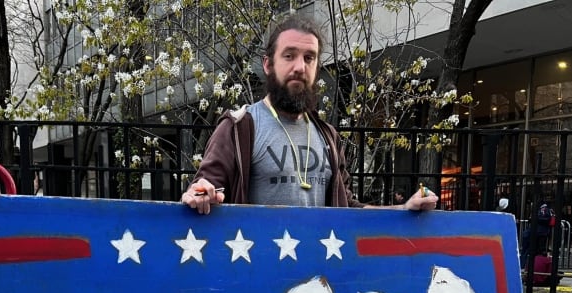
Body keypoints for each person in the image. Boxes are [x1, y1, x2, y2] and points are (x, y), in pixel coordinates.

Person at [180, 15, 438, 215]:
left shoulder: (327, 135)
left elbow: (346, 207)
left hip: (314, 275)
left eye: (309, 58)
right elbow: (206, 186)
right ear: (268, 64)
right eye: (289, 56)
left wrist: (403, 210)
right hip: (256, 275)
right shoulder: (239, 127)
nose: (299, 67)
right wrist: (200, 194)